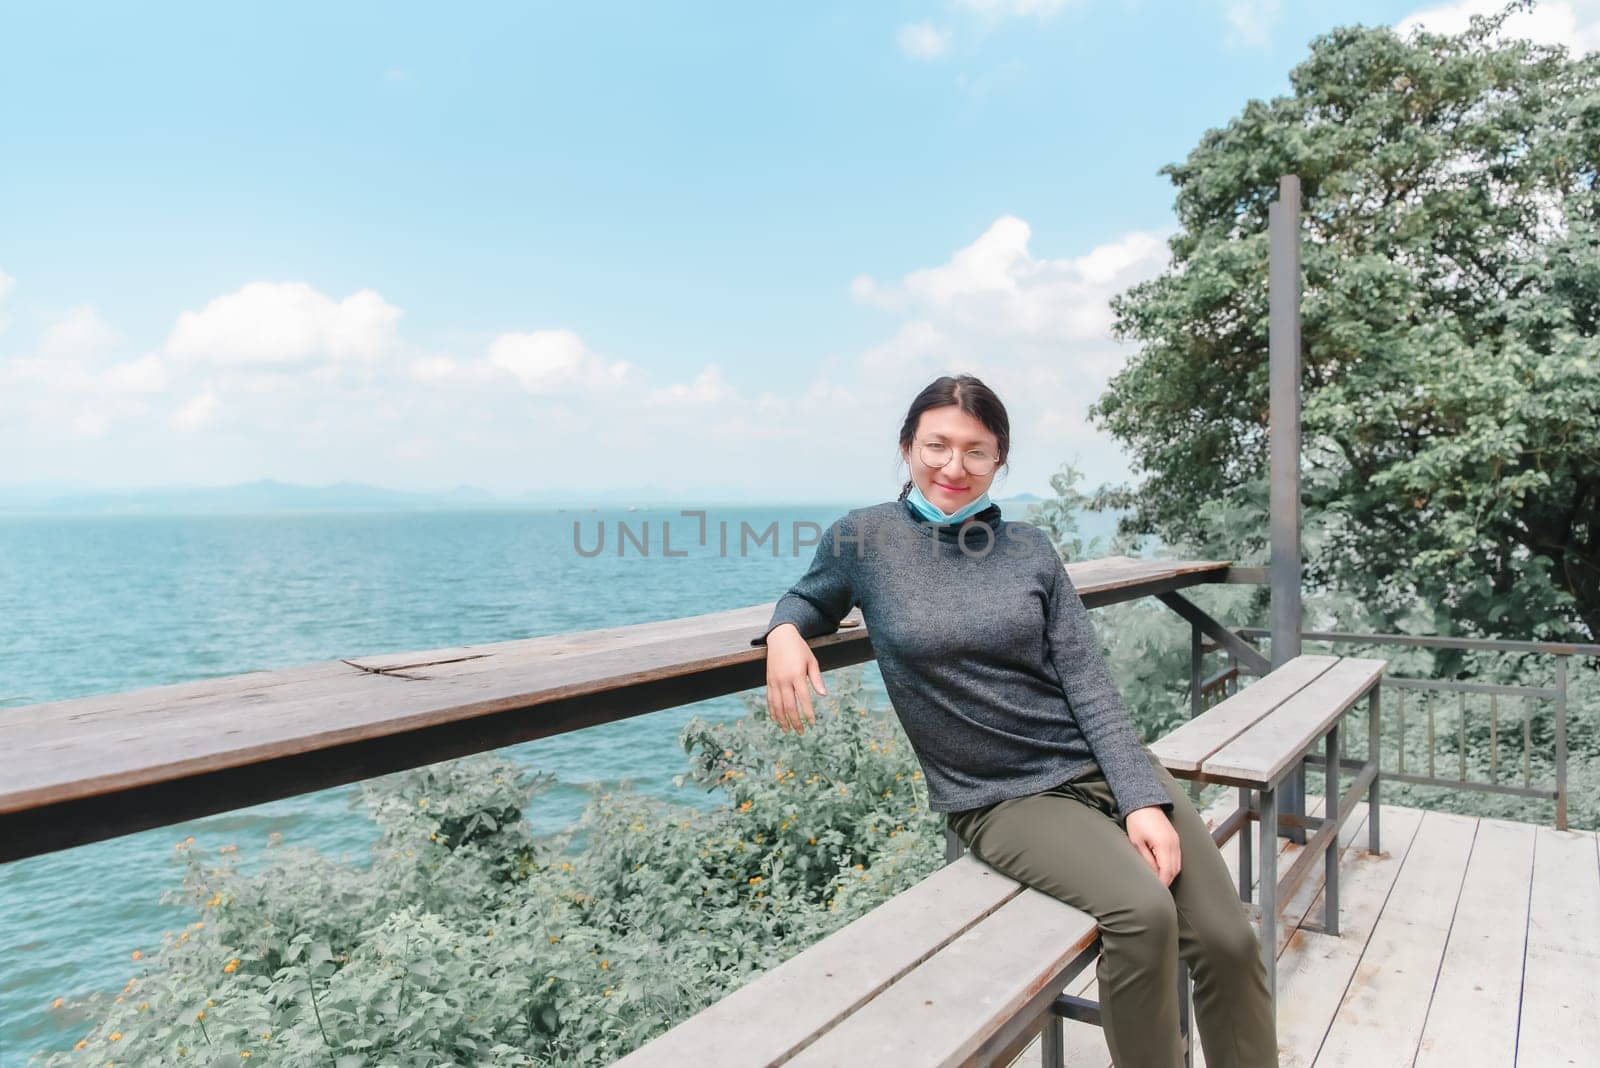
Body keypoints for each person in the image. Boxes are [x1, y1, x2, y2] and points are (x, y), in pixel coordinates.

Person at [751, 373, 1279, 1068]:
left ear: (1000, 459)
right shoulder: (865, 538)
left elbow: (1087, 681)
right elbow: (807, 597)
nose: (953, 466)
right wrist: (786, 632)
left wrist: (1141, 799)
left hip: (1100, 765)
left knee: (1228, 940)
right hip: (1001, 798)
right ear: (907, 447)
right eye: (936, 446)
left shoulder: (1030, 548)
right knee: (1142, 915)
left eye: (976, 450)